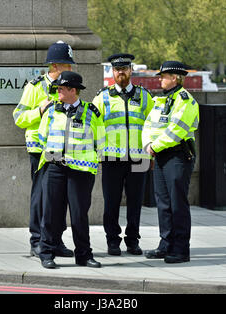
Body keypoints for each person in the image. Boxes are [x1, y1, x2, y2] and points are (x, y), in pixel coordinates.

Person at [37, 71, 106, 269]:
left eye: (61, 88)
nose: (57, 91)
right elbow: (42, 137)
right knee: (50, 212)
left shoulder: (91, 113)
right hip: (54, 168)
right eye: (57, 88)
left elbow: (100, 141)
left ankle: (84, 255)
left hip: (81, 172)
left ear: (73, 90)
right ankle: (47, 253)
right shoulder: (51, 111)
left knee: (79, 215)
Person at [13, 41, 74, 258]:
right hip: (39, 150)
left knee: (59, 197)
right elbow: (18, 117)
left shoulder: (69, 87)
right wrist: (39, 110)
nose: (71, 69)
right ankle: (37, 240)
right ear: (55, 66)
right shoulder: (34, 87)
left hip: (61, 150)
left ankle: (55, 240)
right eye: (68, 65)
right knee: (40, 196)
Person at [92, 53, 154, 256]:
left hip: (139, 158)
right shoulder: (102, 97)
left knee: (135, 203)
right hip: (111, 158)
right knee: (111, 202)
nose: (121, 72)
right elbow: (94, 126)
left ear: (131, 70)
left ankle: (133, 241)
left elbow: (153, 126)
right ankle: (112, 241)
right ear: (112, 71)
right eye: (117, 69)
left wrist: (152, 152)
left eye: (124, 68)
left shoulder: (144, 96)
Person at [142, 61, 199, 263]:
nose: (160, 79)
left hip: (177, 156)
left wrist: (154, 146)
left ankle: (181, 249)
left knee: (177, 203)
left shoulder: (185, 101)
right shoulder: (161, 100)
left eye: (163, 76)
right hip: (160, 155)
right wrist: (148, 143)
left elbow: (176, 131)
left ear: (174, 78)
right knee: (163, 203)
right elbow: (148, 124)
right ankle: (166, 244)